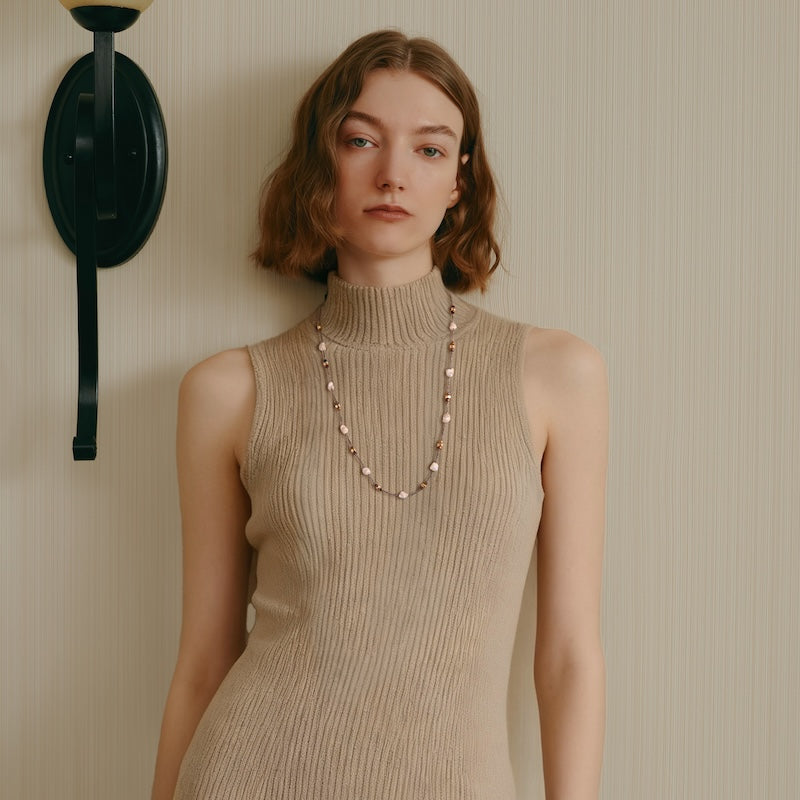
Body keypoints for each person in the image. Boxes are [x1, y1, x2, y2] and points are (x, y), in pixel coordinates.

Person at [151, 29, 607, 800]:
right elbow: (204, 658)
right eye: (360, 140)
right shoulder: (229, 391)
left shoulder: (557, 376)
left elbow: (568, 656)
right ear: (318, 165)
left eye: (430, 150)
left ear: (460, 181)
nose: (394, 174)